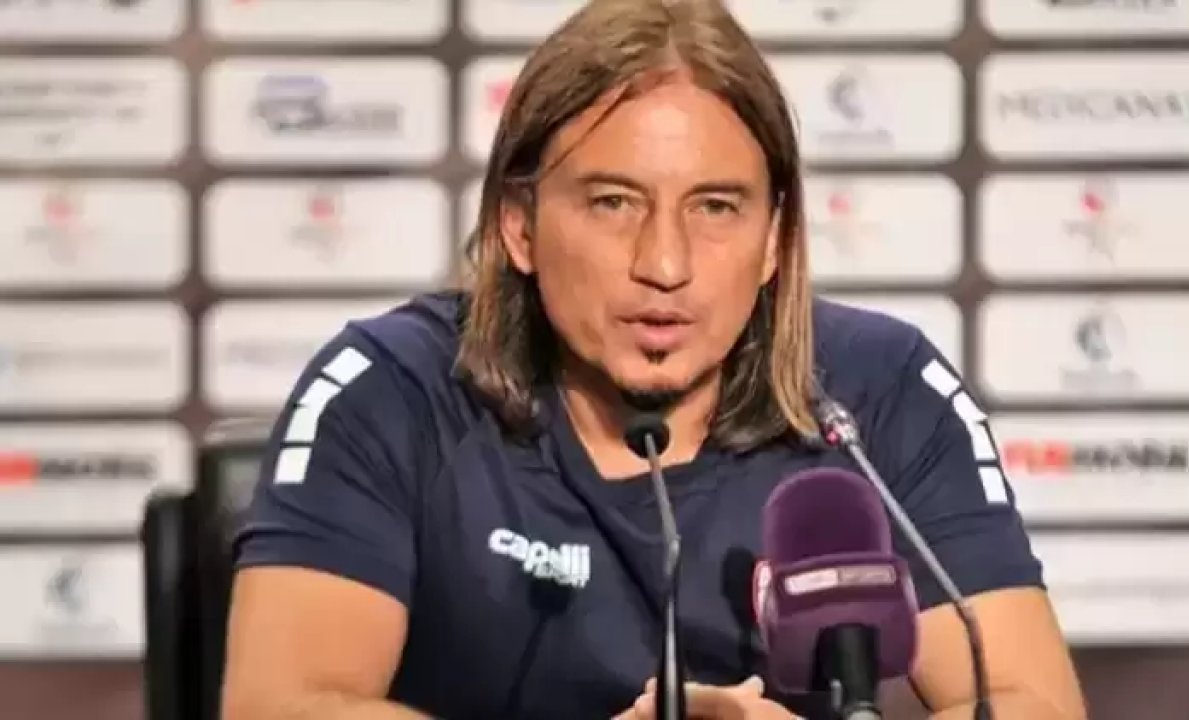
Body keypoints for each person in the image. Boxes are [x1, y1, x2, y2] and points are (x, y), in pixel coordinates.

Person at [219, 0, 1088, 718]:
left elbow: (1031, 702)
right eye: (613, 203)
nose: (665, 265)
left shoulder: (878, 394)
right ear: (519, 224)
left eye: (715, 207)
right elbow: (283, 706)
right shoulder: (388, 389)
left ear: (775, 238)